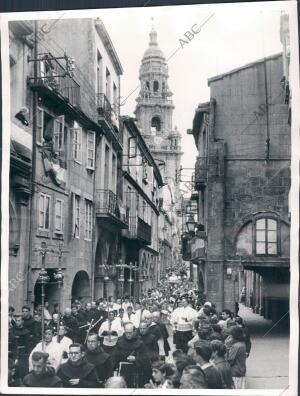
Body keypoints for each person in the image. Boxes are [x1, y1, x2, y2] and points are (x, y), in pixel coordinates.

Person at [112, 322, 152, 388]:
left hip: (136, 372)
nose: (128, 335)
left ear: (134, 331)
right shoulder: (120, 342)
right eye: (126, 333)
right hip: (123, 372)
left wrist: (135, 359)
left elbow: (146, 359)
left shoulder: (140, 342)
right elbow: (115, 357)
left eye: (130, 333)